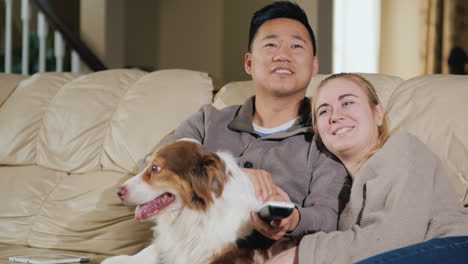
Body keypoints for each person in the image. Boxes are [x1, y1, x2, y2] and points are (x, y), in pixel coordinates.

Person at [144, 1, 349, 240]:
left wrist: (293, 219)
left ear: (314, 65)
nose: (283, 55)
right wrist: (229, 176)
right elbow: (151, 172)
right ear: (249, 63)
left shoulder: (325, 134)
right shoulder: (207, 121)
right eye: (271, 45)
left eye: (296, 46)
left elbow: (328, 216)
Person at [266, 73, 468, 264]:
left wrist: (300, 254)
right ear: (319, 133)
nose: (335, 116)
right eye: (324, 111)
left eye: (347, 102)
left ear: (378, 114)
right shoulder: (344, 194)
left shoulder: (404, 149)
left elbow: (394, 239)